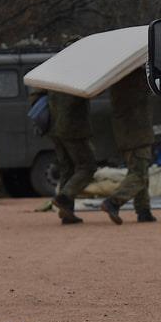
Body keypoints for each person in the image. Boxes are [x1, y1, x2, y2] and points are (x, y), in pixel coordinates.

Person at [101, 68, 156, 224]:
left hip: (126, 134)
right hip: (137, 133)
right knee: (139, 175)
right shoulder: (134, 79)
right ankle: (113, 202)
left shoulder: (117, 77)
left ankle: (143, 211)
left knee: (139, 171)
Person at [48, 90, 97, 225]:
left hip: (54, 126)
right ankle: (63, 198)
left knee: (67, 168)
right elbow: (91, 91)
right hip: (73, 127)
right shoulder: (75, 78)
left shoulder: (51, 78)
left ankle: (67, 213)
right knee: (87, 167)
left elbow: (35, 94)